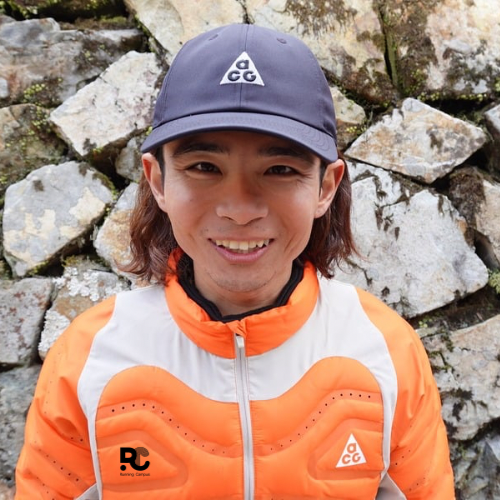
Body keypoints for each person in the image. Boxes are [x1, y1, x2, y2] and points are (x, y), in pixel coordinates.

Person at [15, 23, 455, 499]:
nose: (240, 209)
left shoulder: (386, 350)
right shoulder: (88, 358)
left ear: (325, 187)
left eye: (280, 169)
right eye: (204, 167)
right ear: (157, 180)